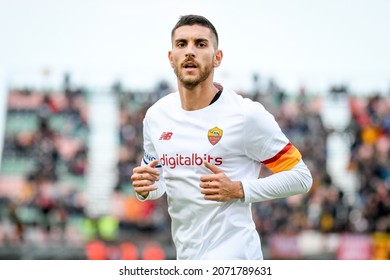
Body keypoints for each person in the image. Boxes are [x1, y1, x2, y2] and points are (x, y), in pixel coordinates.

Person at [131, 14, 313, 260]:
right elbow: (158, 183)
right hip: (187, 259)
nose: (190, 52)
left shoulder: (246, 115)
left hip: (237, 259)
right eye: (182, 44)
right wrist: (145, 188)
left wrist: (239, 189)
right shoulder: (156, 117)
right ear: (171, 58)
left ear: (217, 58)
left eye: (201, 44)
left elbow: (301, 178)